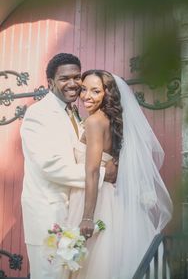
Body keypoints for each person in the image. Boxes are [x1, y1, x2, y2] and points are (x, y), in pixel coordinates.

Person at [64, 70, 173, 279]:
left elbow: (93, 170)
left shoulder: (95, 121)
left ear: (107, 94)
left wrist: (87, 217)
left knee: (100, 262)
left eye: (95, 91)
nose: (86, 96)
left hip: (96, 200)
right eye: (84, 89)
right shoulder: (111, 119)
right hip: (115, 197)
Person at [20, 54, 117, 279]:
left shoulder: (73, 112)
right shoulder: (38, 114)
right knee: (50, 275)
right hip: (49, 214)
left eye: (76, 77)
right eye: (64, 78)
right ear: (50, 82)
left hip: (72, 213)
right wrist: (102, 173)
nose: (73, 83)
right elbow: (50, 166)